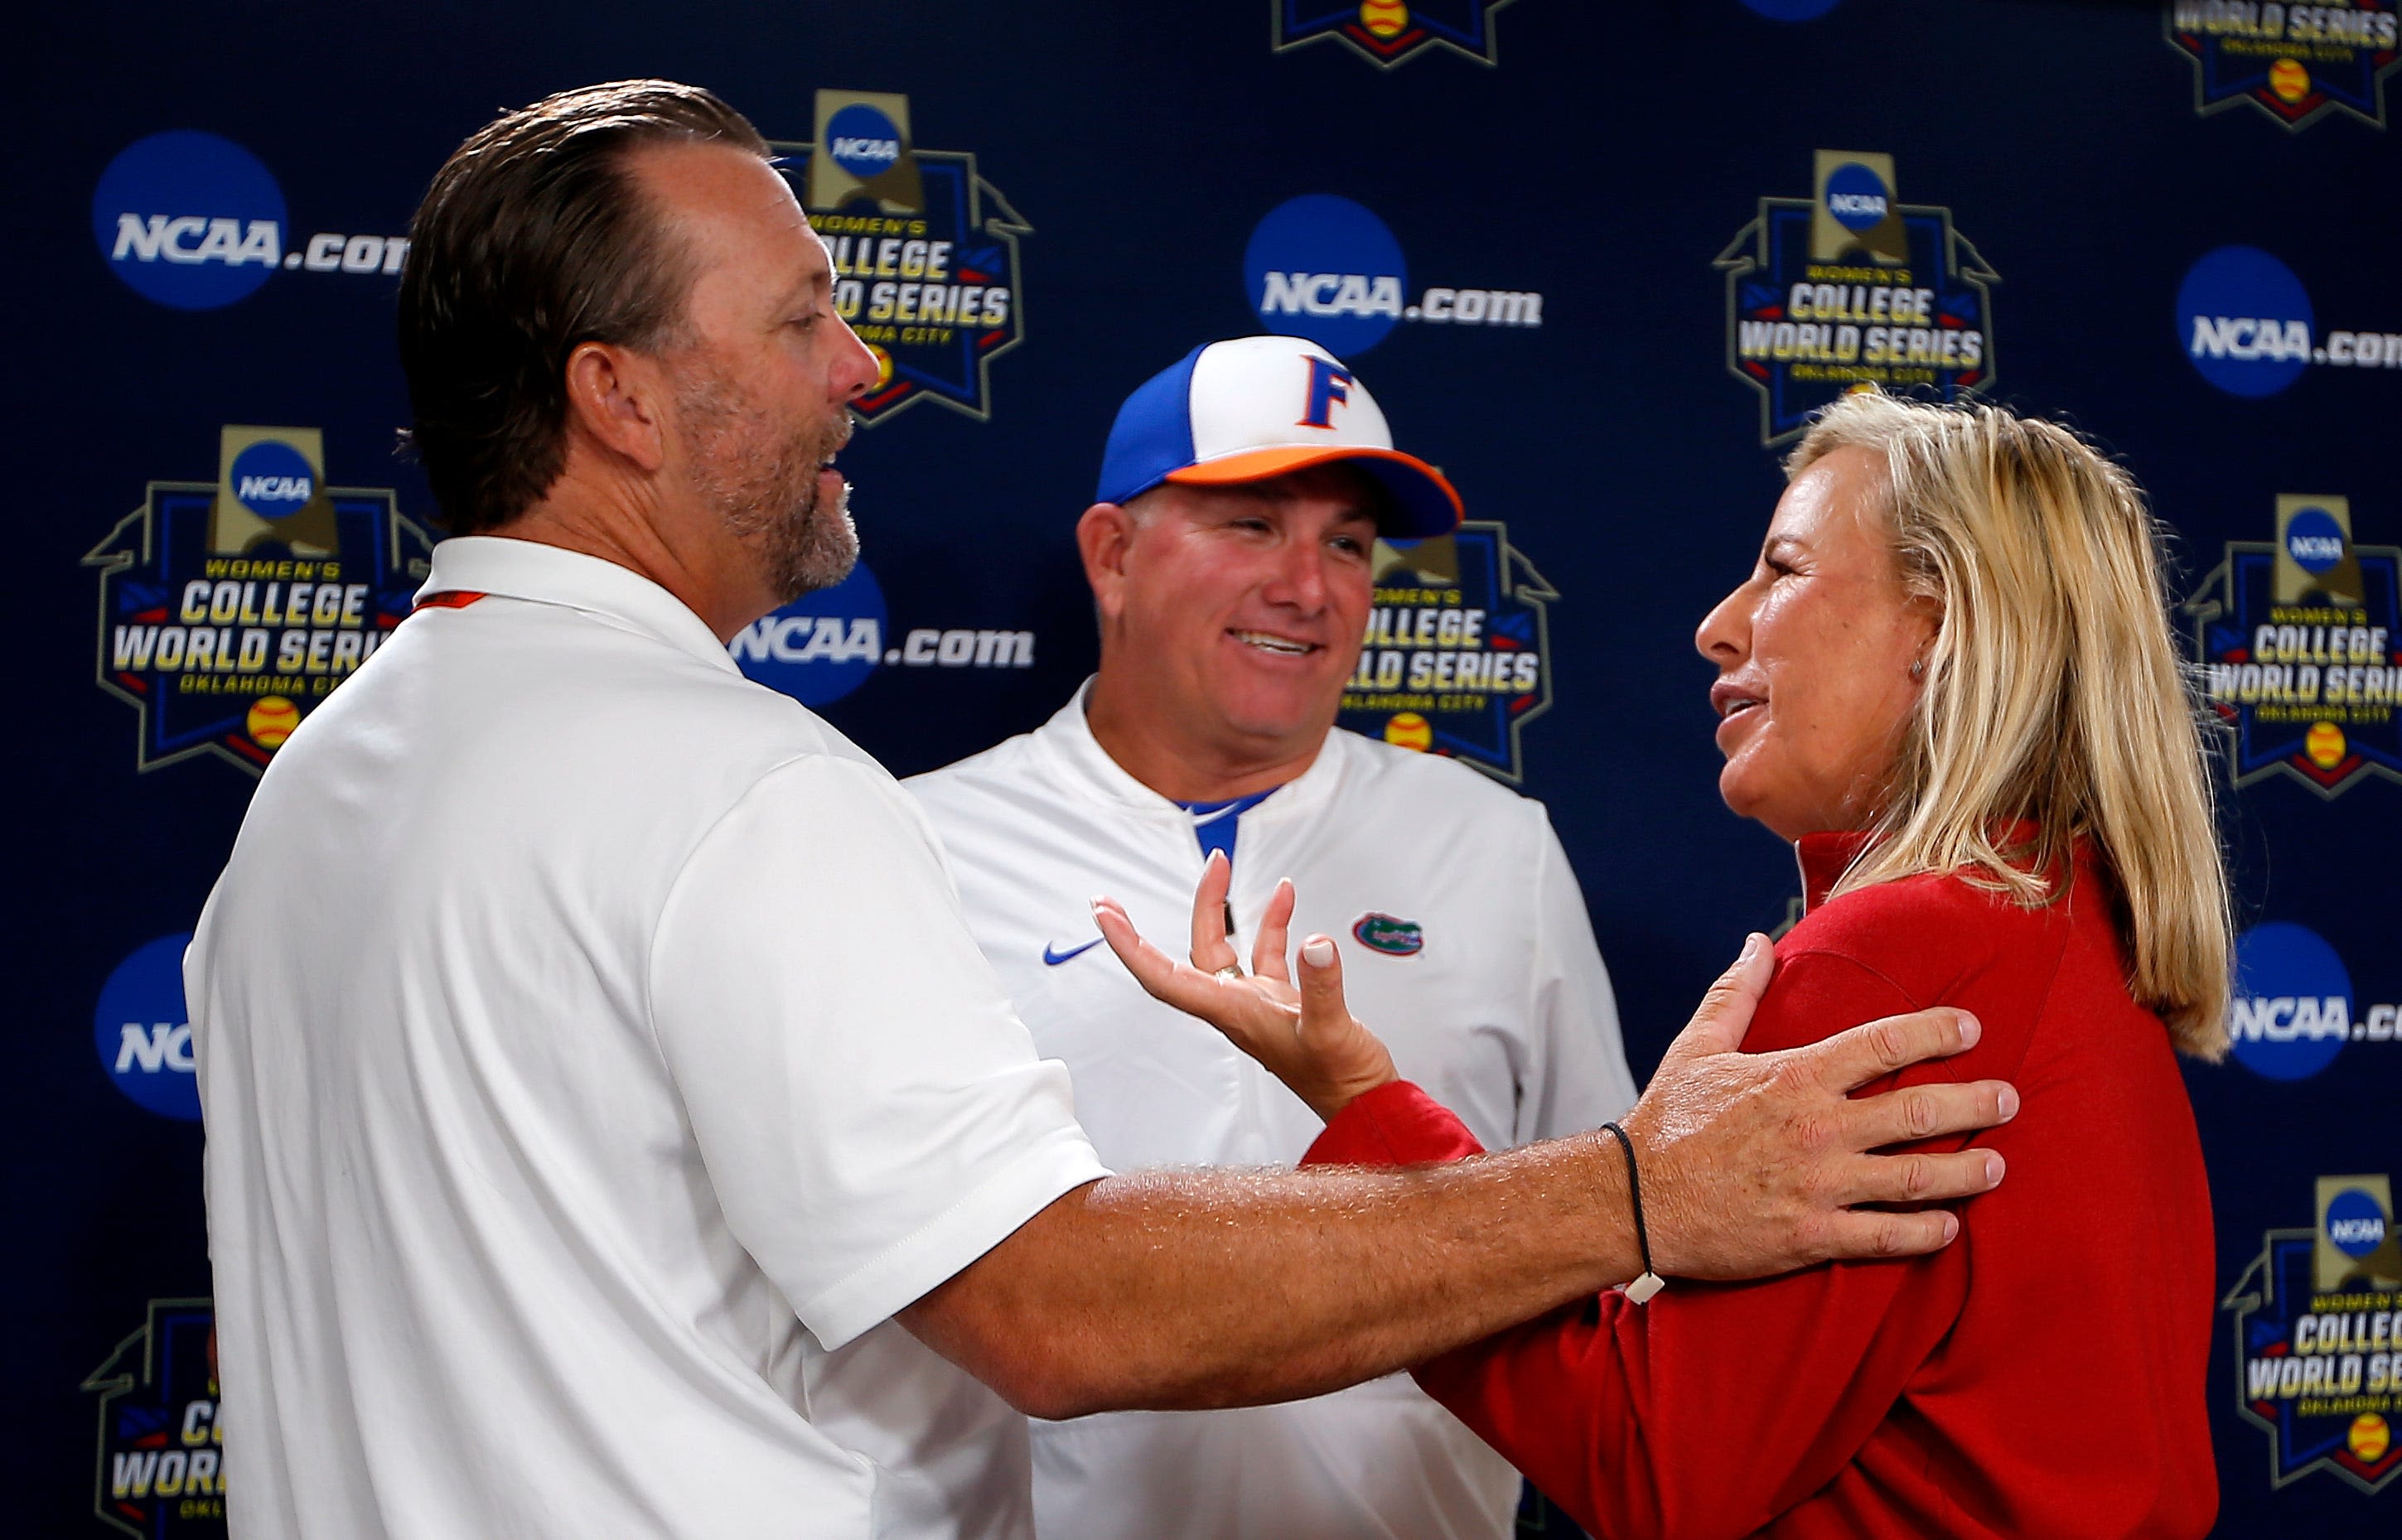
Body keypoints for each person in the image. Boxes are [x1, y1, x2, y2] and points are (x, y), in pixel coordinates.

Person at [187, 82, 2018, 1540]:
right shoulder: (745, 793)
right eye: (804, 318)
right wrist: (1636, 1190)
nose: (862, 371)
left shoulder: (320, 790)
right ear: (621, 400)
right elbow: (1055, 1312)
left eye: (1348, 540)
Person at [1100, 390, 2227, 1538]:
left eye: (1782, 570)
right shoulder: (2060, 912)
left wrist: (1361, 1106)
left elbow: (1650, 1461)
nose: (1719, 625)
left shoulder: (1899, 954)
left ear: (1938, 631)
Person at [906, 334, 1638, 1540]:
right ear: (1113, 556)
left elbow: (1603, 1247)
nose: (1309, 586)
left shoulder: (1495, 847)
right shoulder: (925, 842)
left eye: (1347, 543)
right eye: (1252, 525)